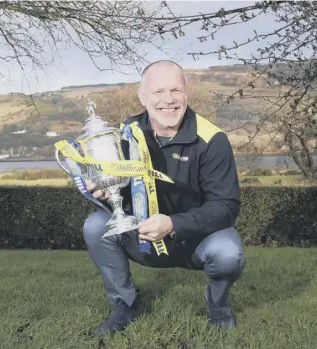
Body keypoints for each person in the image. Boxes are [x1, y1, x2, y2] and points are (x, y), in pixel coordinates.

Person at [82, 60, 246, 336]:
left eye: (176, 91)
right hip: (142, 239)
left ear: (186, 93)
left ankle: (218, 305)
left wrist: (173, 224)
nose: (168, 100)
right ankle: (126, 304)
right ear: (142, 96)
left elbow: (226, 207)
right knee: (95, 225)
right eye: (158, 92)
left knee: (229, 253)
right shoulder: (125, 133)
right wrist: (97, 189)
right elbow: (115, 190)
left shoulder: (212, 138)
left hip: (195, 241)